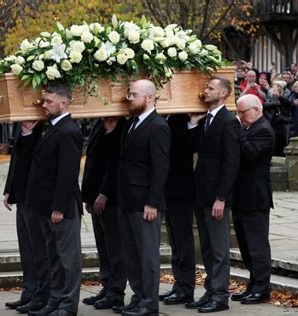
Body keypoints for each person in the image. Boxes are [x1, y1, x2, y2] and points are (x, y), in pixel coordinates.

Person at [24, 83, 83, 316]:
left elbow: (67, 174)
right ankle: (54, 302)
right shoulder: (51, 127)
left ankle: (68, 306)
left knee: (69, 260)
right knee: (55, 259)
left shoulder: (69, 130)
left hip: (61, 208)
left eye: (49, 101)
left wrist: (58, 208)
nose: (44, 105)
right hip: (46, 207)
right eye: (44, 101)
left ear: (64, 103)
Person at [115, 79, 170, 316]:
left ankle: (150, 304)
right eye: (129, 94)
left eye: (134, 95)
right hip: (127, 199)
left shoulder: (158, 126)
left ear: (149, 97)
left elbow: (160, 167)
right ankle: (138, 297)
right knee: (131, 254)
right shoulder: (131, 124)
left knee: (148, 256)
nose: (129, 99)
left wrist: (152, 202)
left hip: (144, 202)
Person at [187, 77, 240, 313]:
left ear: (224, 93)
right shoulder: (207, 118)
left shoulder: (229, 121)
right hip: (201, 192)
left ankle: (220, 296)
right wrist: (192, 125)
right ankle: (210, 290)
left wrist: (222, 197)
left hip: (216, 196)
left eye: (210, 88)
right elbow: (195, 148)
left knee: (219, 249)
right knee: (207, 247)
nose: (204, 91)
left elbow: (231, 162)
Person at [231, 94, 275, 304]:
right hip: (241, 196)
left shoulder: (264, 130)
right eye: (238, 113)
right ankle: (252, 285)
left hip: (256, 197)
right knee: (245, 246)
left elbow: (249, 153)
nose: (239, 117)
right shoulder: (249, 128)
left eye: (242, 113)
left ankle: (262, 288)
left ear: (257, 110)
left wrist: (238, 131)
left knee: (257, 246)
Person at [3, 121, 50, 313]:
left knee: (39, 249)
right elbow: (17, 159)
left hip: (36, 197)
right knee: (26, 248)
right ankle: (29, 291)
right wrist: (9, 190)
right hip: (22, 195)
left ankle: (41, 294)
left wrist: (29, 133)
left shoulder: (44, 128)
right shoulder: (21, 126)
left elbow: (36, 160)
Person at [81, 117, 128, 310]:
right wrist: (89, 196)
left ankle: (116, 292)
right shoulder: (99, 124)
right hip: (96, 196)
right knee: (103, 247)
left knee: (115, 248)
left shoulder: (121, 127)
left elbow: (115, 161)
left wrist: (104, 193)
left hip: (111, 198)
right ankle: (107, 285)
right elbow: (93, 160)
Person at [159, 114, 196, 305]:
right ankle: (178, 284)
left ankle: (186, 287)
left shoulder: (179, 119)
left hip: (180, 189)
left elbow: (186, 148)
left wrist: (193, 123)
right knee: (174, 242)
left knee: (183, 242)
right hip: (168, 190)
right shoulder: (166, 119)